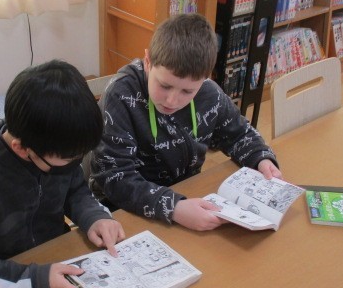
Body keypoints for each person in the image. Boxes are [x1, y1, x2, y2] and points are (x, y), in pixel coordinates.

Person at [0, 59, 125, 288]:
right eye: (69, 160)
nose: (75, 164)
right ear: (22, 148)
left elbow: (75, 190)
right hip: (4, 283)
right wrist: (34, 280)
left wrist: (94, 217)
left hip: (56, 261)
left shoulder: (55, 145)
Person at [88, 13, 282, 231]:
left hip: (186, 200)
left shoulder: (209, 94)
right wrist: (174, 208)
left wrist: (261, 158)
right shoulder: (120, 96)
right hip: (122, 212)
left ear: (205, 78)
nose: (172, 100)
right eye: (164, 86)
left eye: (187, 91)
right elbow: (115, 178)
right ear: (148, 62)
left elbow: (240, 134)